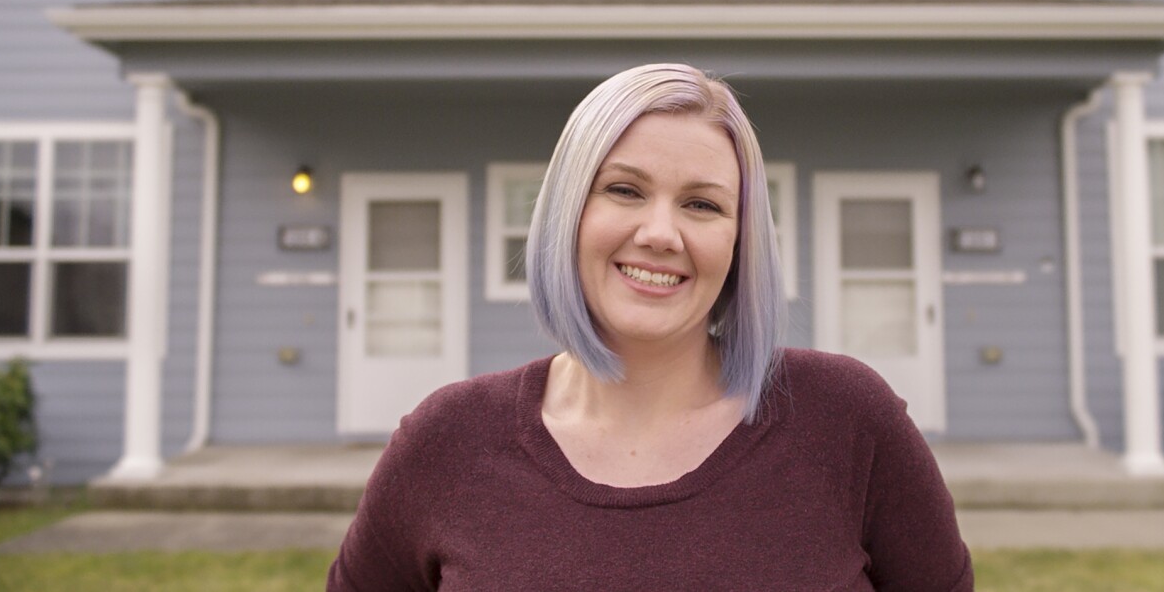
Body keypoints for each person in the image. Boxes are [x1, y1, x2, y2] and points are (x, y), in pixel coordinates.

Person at [327, 64, 973, 591]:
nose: (661, 234)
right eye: (625, 190)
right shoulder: (447, 441)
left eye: (702, 203)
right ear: (567, 214)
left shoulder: (847, 420)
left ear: (741, 240)